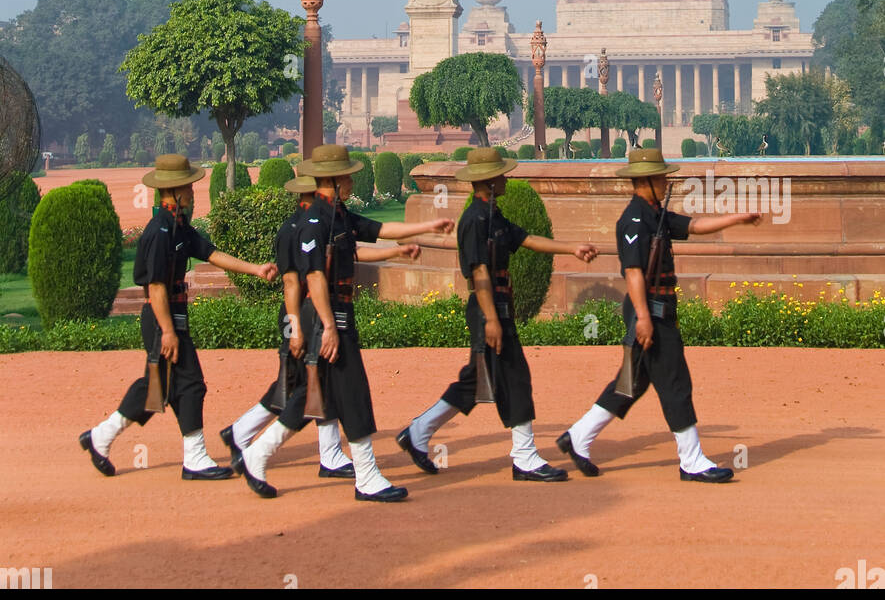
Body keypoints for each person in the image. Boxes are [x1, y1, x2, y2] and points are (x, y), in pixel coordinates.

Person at [238, 144, 454, 501]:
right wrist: (329, 327)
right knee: (352, 390)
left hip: (337, 312)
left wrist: (429, 225)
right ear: (335, 179)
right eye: (349, 175)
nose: (353, 179)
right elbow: (315, 279)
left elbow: (380, 228)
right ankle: (366, 474)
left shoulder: (337, 215)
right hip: (328, 315)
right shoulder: (314, 221)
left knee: (314, 395)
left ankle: (256, 454)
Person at [556, 146, 761, 483]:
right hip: (648, 311)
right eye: (662, 177)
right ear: (646, 180)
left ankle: (577, 437)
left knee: (631, 384)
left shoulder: (655, 214)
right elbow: (633, 272)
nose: (667, 182)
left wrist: (738, 218)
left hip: (656, 309)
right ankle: (691, 460)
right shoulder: (634, 219)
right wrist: (643, 318)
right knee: (675, 381)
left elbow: (696, 226)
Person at [398, 147, 597, 482]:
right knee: (513, 378)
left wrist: (572, 248)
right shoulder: (475, 220)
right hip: (488, 309)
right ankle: (524, 456)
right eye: (501, 174)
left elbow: (529, 239)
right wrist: (491, 318)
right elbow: (478, 274)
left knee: (476, 381)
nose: (506, 178)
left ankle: (417, 433)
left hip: (497, 307)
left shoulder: (492, 215)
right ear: (488, 181)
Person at [79, 154, 277, 481]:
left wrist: (256, 269)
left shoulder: (179, 227)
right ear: (173, 192)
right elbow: (155, 287)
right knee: (189, 384)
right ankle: (194, 457)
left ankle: (101, 437)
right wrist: (168, 332)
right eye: (189, 187)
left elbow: (211, 253)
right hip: (162, 319)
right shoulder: (158, 232)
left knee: (158, 387)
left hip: (172, 318)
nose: (193, 192)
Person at [221, 172, 421, 480]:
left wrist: (399, 247)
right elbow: (292, 284)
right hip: (301, 315)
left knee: (316, 389)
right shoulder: (296, 230)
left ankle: (318, 453)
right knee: (295, 385)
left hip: (315, 313)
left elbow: (356, 248)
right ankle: (242, 434)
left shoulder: (329, 222)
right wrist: (296, 330)